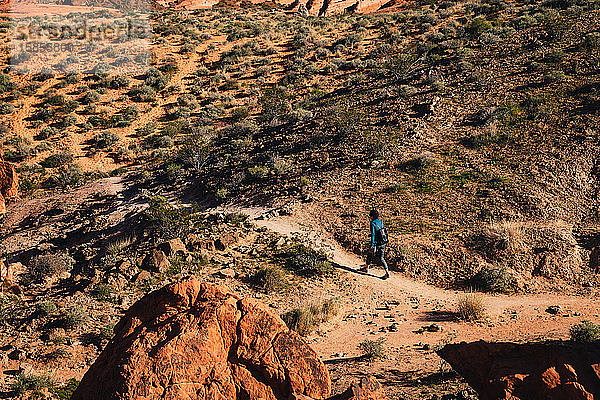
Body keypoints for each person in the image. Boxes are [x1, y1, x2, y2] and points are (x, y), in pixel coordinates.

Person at [362, 209, 390, 279]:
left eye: (370, 216)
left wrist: (372, 245)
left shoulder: (372, 223)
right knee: (381, 258)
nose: (370, 217)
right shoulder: (381, 222)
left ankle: (366, 268)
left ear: (372, 216)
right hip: (383, 242)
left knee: (370, 254)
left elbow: (374, 234)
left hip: (377, 243)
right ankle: (387, 272)